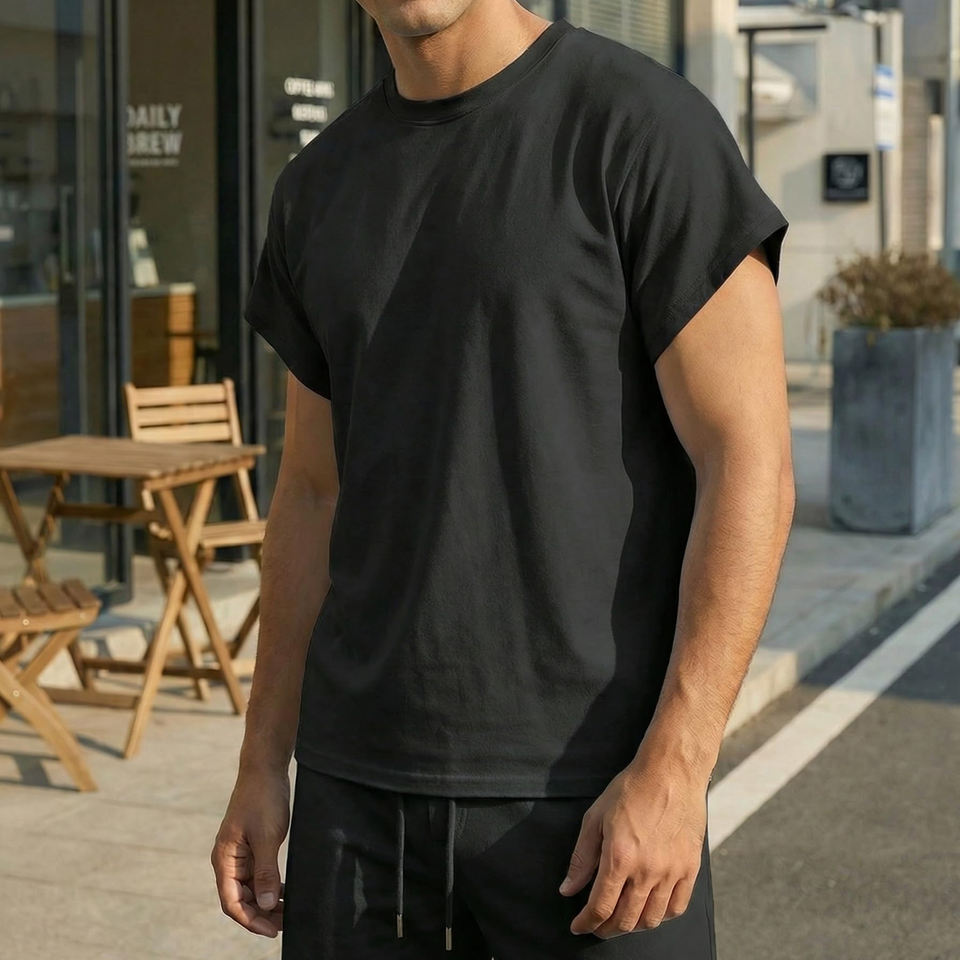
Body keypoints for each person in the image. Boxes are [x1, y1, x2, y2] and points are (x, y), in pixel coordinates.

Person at [211, 2, 795, 958]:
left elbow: (749, 461)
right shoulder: (317, 185)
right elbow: (312, 493)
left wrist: (678, 766)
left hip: (591, 796)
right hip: (359, 799)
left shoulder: (641, 129)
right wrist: (262, 759)